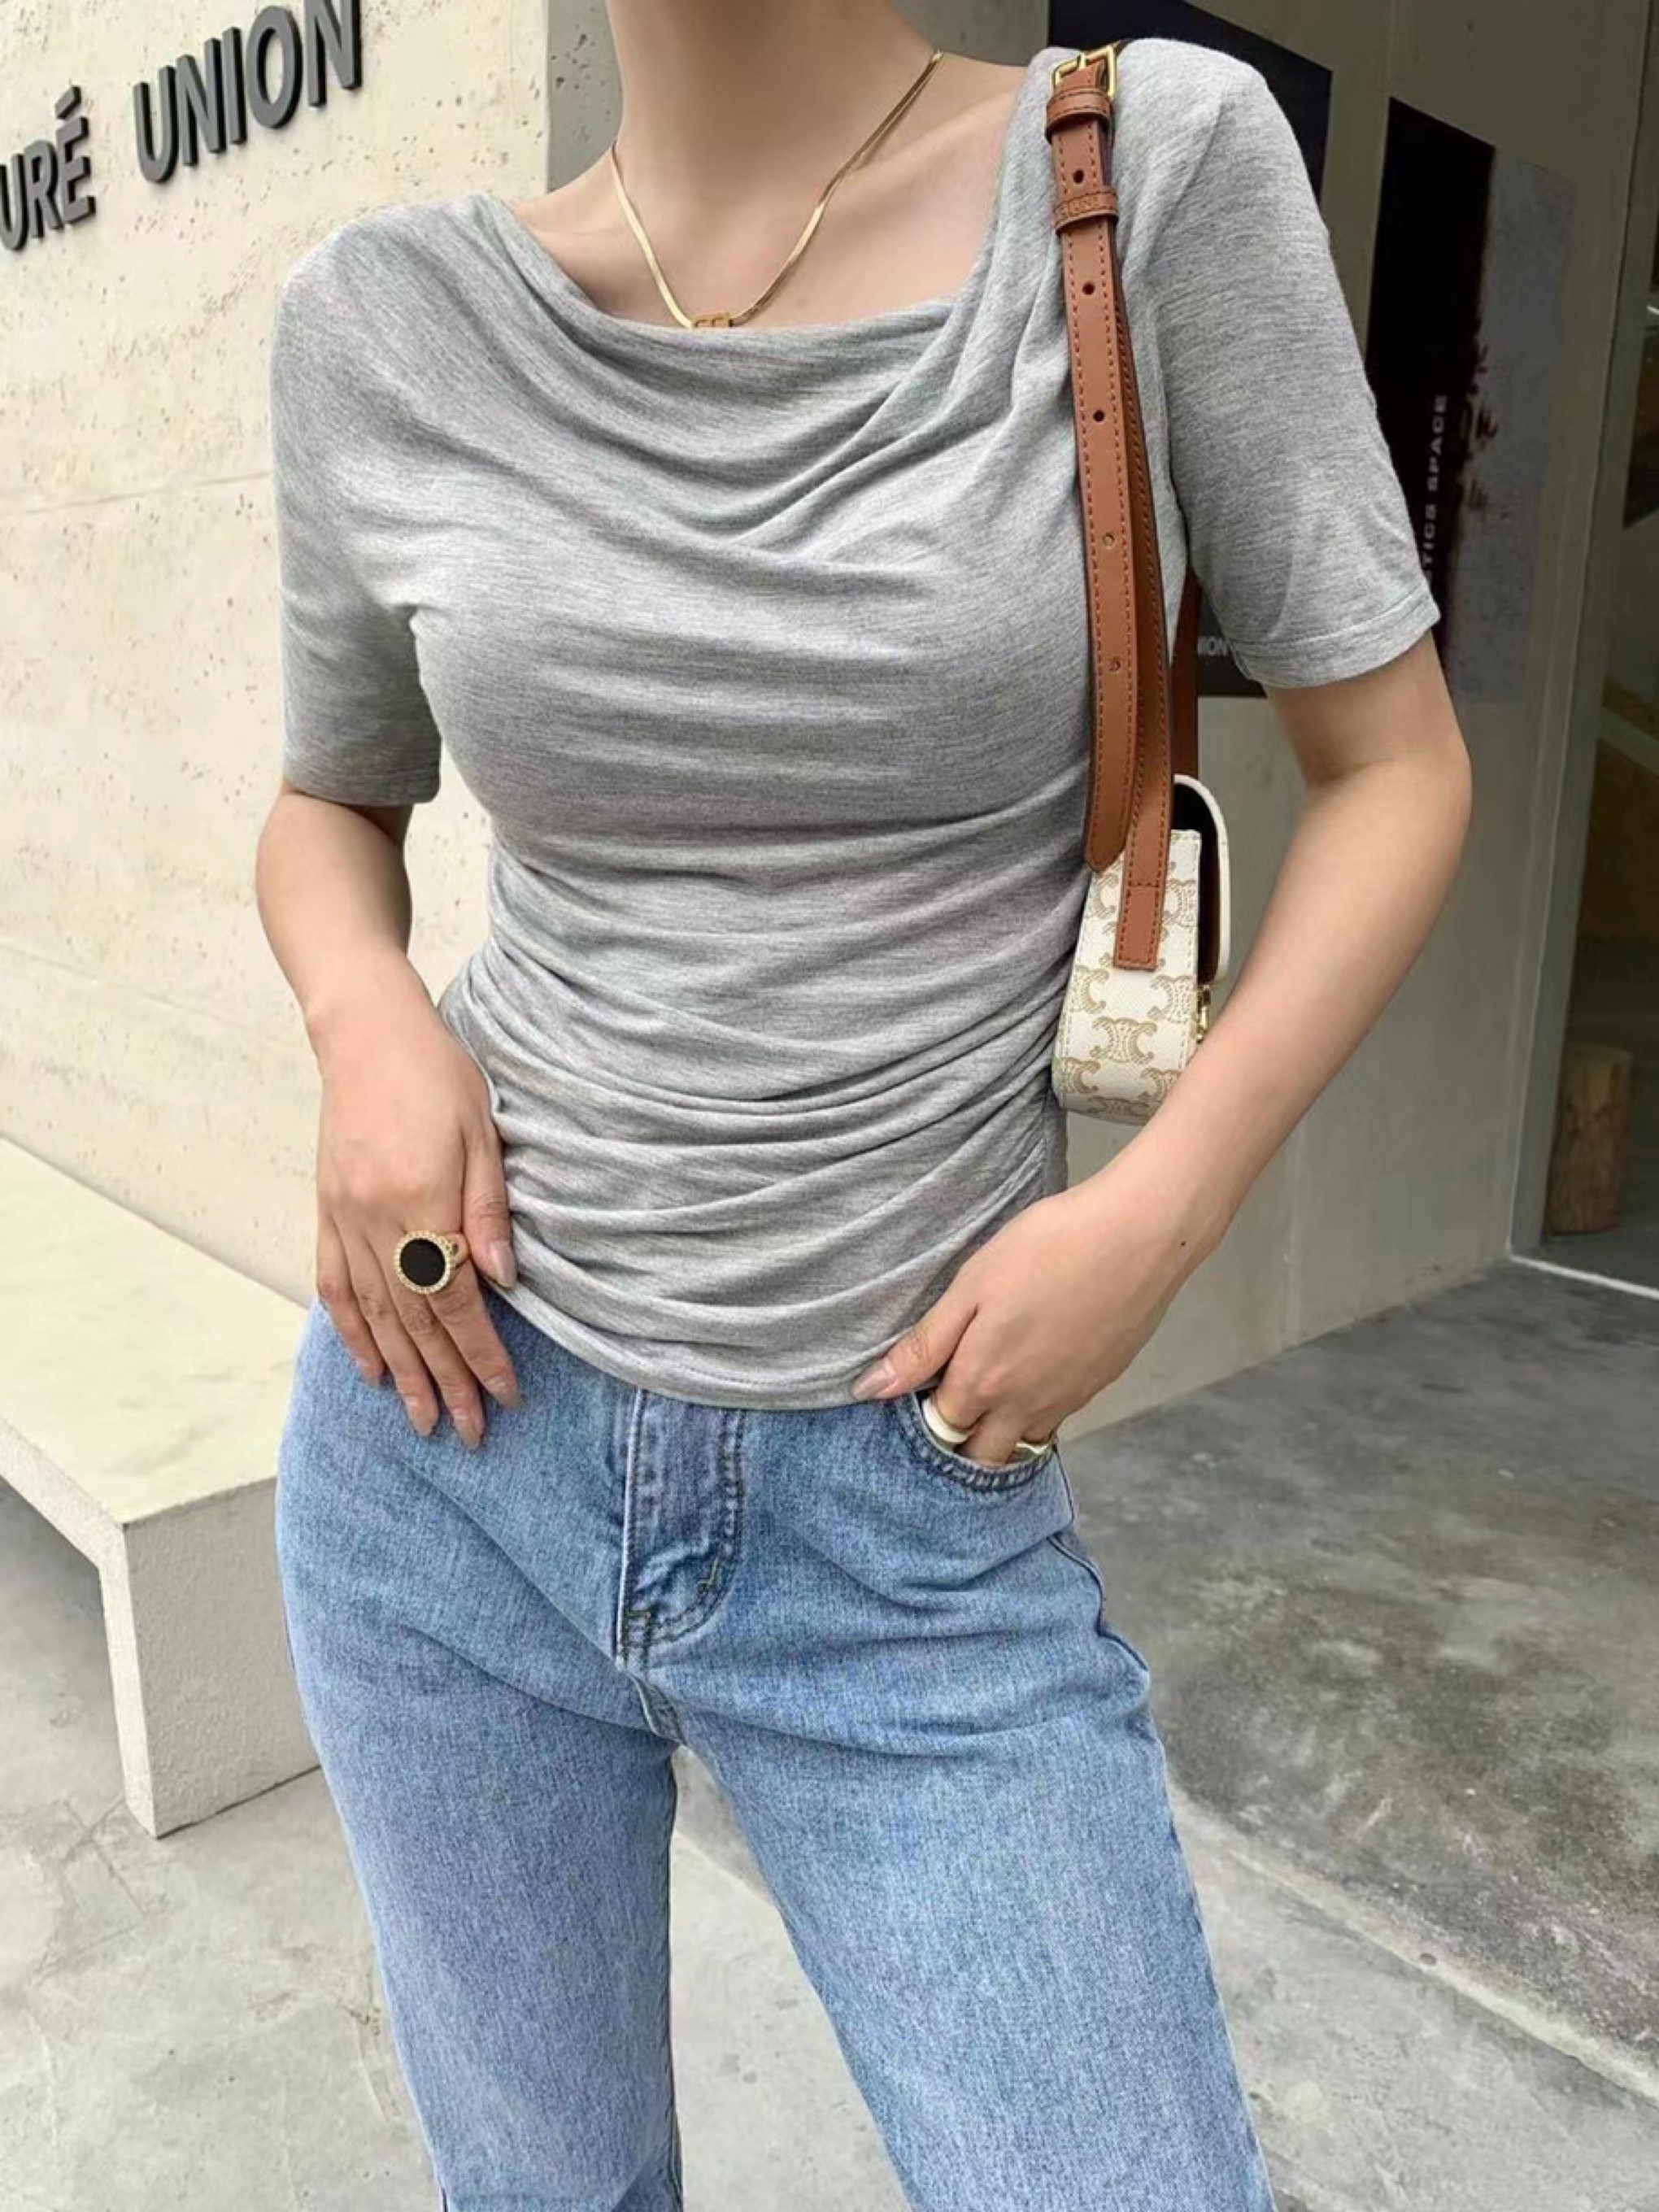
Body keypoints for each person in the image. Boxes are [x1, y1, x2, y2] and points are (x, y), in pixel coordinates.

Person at [254, 7, 1471, 2209]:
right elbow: (330, 802)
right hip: (445, 1437)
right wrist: (368, 1025)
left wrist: (1163, 1214)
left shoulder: (1141, 170)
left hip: (904, 1501)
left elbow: (1400, 769)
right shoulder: (384, 319)